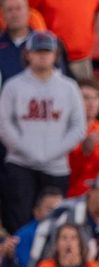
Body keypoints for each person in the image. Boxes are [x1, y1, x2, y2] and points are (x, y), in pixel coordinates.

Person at [0, 30, 85, 233]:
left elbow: (78, 128)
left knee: (55, 222)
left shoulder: (69, 87)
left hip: (56, 167)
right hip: (20, 164)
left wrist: (50, 154)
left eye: (47, 51)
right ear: (28, 54)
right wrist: (28, 152)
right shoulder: (13, 86)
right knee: (19, 221)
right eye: (38, 51)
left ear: (55, 55)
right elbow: (4, 125)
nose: (42, 56)